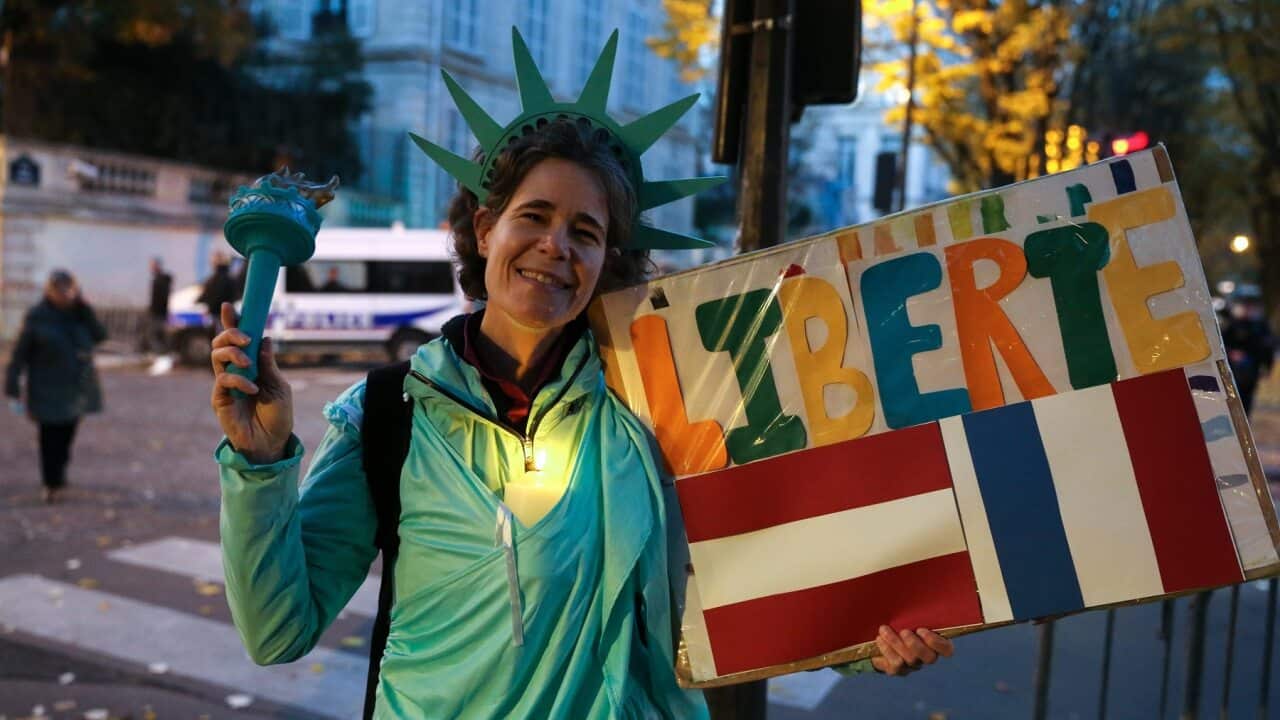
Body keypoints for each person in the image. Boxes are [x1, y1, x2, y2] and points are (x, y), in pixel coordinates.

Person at [210, 33, 951, 720]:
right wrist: (260, 462)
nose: (554, 247)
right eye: (533, 216)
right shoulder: (387, 416)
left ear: (607, 262)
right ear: (484, 229)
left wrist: (868, 636)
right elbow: (277, 631)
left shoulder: (659, 401)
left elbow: (759, 563)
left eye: (586, 232)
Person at [6, 269, 107, 503]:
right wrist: (12, 383)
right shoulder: (37, 316)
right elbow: (20, 354)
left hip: (74, 388)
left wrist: (85, 309)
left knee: (66, 434)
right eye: (59, 289)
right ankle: (51, 482)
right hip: (46, 387)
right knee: (48, 436)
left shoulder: (80, 314)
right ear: (49, 291)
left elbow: (100, 336)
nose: (64, 295)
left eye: (68, 289)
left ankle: (58, 473)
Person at [1223, 295, 1274, 415]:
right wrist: (1232, 353)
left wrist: (1268, 368)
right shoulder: (1232, 325)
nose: (1247, 308)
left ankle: (1245, 424)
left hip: (1252, 370)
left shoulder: (1261, 326)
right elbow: (1222, 344)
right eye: (1245, 305)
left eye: (1251, 305)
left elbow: (1267, 347)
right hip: (1233, 369)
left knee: (1247, 400)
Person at [197, 251, 236, 333]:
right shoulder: (226, 275)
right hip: (222, 312)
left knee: (219, 334)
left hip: (218, 312)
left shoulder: (219, 277)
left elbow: (215, 295)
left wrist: (209, 307)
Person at [140, 257, 172, 355]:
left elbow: (161, 298)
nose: (151, 268)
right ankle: (162, 354)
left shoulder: (160, 280)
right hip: (159, 312)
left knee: (153, 335)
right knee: (158, 335)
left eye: (153, 265)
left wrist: (154, 310)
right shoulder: (160, 279)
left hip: (158, 313)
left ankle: (161, 354)